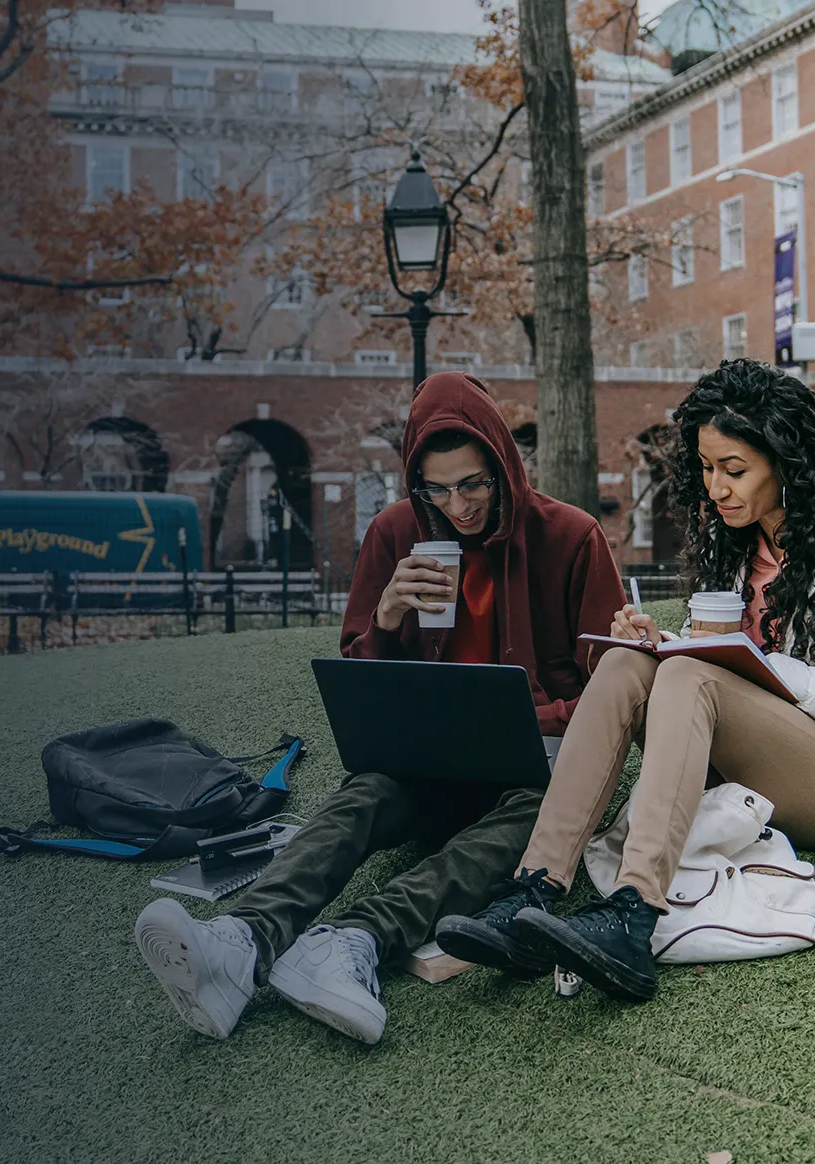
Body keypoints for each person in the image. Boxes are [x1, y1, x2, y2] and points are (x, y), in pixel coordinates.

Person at [132, 373, 625, 1044]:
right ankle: (239, 942)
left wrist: (541, 713)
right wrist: (389, 617)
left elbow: (610, 690)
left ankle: (353, 941)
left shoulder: (571, 537)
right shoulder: (395, 532)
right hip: (426, 766)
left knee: (540, 811)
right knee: (363, 792)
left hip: (530, 770)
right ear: (414, 482)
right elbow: (359, 683)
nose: (460, 505)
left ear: (506, 467)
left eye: (476, 483)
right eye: (438, 488)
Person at [436, 359, 815, 1002]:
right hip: (746, 760)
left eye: (735, 470)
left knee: (688, 679)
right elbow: (722, 667)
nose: (717, 488)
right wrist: (663, 642)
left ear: (787, 462)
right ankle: (532, 888)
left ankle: (633, 913)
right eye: (707, 470)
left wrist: (761, 670)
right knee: (630, 662)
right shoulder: (737, 549)